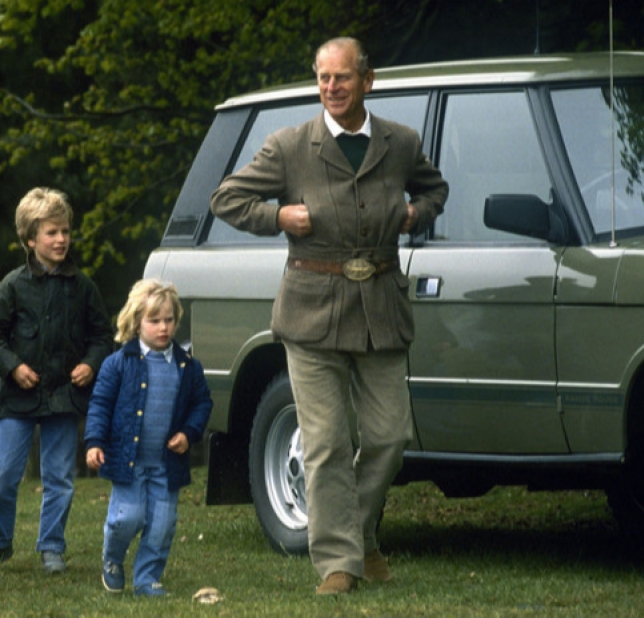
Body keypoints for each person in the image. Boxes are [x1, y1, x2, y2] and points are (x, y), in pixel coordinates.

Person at [210, 37, 448, 594]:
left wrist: (416, 213)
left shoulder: (401, 142)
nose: (332, 88)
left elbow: (435, 189)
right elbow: (226, 198)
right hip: (310, 312)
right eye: (323, 79)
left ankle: (360, 537)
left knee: (390, 437)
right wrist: (278, 217)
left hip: (382, 309)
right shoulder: (290, 145)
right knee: (325, 444)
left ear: (368, 80)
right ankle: (339, 563)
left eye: (342, 78)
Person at [0, 187, 113, 575]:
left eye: (65, 231)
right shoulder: (12, 286)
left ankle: (52, 548)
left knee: (59, 477)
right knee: (5, 473)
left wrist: (92, 363)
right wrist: (13, 366)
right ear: (31, 239)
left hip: (64, 398)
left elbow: (102, 336)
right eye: (51, 232)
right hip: (17, 398)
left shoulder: (83, 288)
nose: (61, 239)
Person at [84, 279, 213, 597]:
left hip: (166, 465)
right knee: (128, 518)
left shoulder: (187, 367)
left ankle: (147, 579)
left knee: (162, 524)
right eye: (154, 321)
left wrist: (188, 433)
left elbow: (202, 403)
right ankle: (112, 559)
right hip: (128, 462)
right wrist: (94, 442)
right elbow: (100, 404)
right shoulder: (118, 364)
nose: (163, 327)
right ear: (136, 322)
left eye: (169, 320)